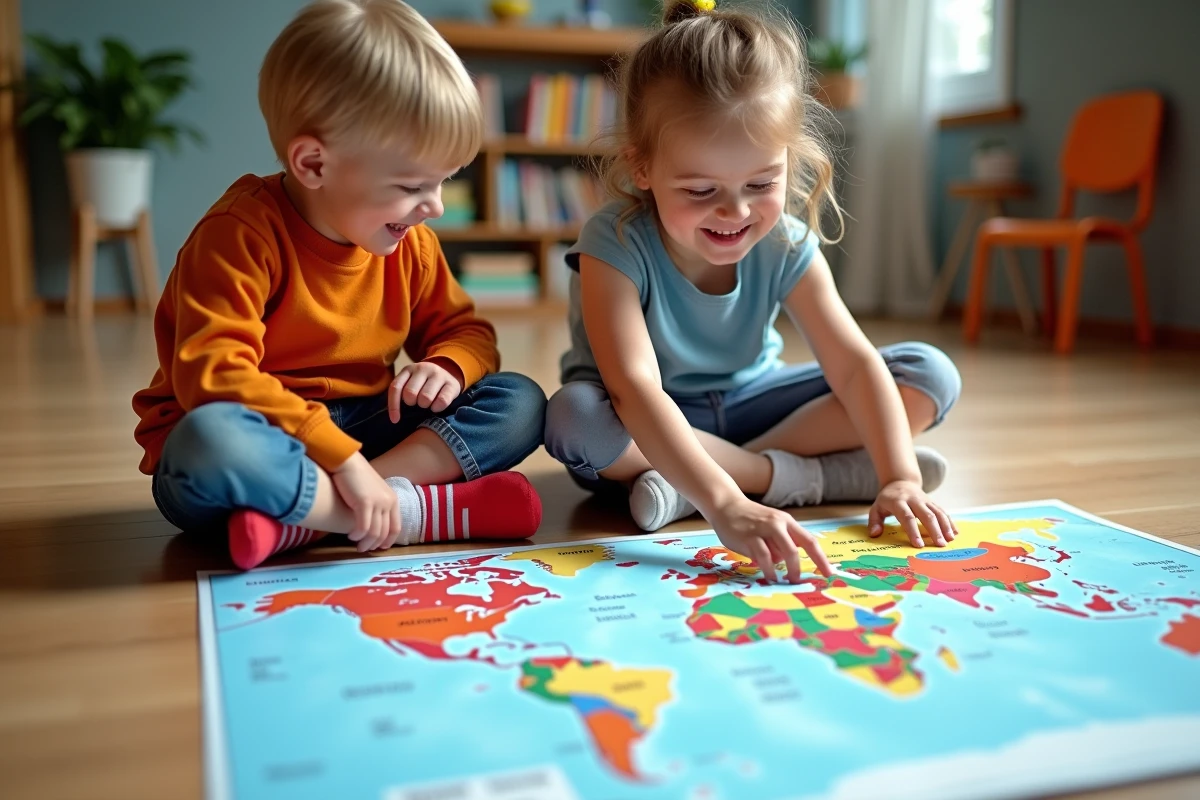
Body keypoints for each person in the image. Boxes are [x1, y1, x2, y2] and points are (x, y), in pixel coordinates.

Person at [544, 0, 962, 584]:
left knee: (928, 373)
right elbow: (634, 390)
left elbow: (854, 363)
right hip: (648, 419)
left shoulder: (787, 242)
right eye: (699, 189)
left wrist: (900, 479)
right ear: (642, 168)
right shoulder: (611, 242)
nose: (734, 212)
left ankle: (691, 481)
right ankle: (795, 479)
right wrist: (726, 507)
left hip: (752, 402)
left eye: (762, 183)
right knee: (574, 419)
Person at [132, 0, 546, 570]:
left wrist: (447, 365)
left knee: (520, 401)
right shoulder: (239, 234)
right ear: (314, 164)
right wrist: (341, 460)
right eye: (411, 185)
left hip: (365, 426)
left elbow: (466, 330)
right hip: (260, 435)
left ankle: (308, 518)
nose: (435, 206)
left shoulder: (408, 240)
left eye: (444, 181)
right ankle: (406, 514)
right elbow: (215, 377)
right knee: (209, 443)